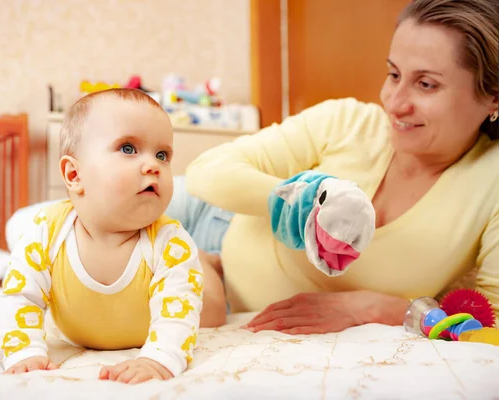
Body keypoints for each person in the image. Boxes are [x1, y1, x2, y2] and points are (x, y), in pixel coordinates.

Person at [186, 0, 499, 334]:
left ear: (493, 96)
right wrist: (307, 203)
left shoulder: (490, 181)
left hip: (232, 304)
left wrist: (373, 307)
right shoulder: (347, 121)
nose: (394, 103)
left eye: (426, 84)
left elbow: (488, 321)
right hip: (209, 225)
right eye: (394, 75)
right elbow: (206, 170)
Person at [0, 88, 215, 384]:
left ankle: (213, 265)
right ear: (74, 176)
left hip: (195, 288)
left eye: (162, 155)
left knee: (211, 303)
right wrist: (24, 352)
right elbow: (21, 297)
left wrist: (159, 359)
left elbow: (179, 314)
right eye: (128, 148)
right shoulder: (46, 232)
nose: (153, 165)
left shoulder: (171, 243)